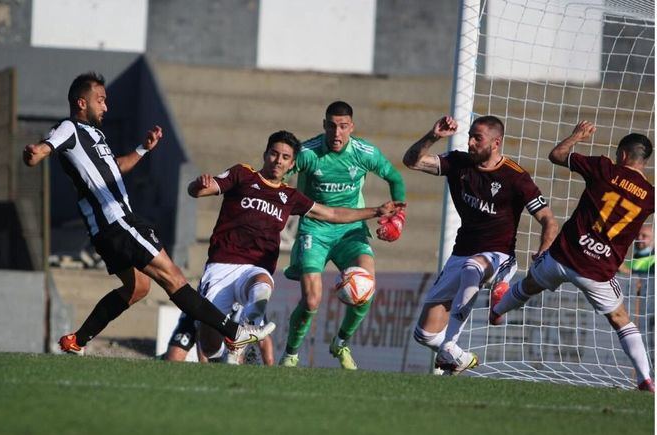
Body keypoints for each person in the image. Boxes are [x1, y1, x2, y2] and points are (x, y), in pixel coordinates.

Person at [22, 71, 275, 356]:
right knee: (174, 278)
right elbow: (45, 147)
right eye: (101, 101)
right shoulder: (70, 128)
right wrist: (36, 152)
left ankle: (76, 341)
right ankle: (235, 333)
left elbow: (114, 167)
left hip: (104, 230)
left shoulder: (95, 135)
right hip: (118, 221)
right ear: (82, 103)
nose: (106, 107)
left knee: (138, 287)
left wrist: (144, 148)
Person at [165, 130, 404, 364]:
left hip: (256, 266)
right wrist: (198, 184)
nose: (278, 161)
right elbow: (198, 191)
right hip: (221, 265)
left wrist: (376, 211)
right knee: (211, 346)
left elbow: (331, 213)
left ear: (292, 164)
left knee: (262, 287)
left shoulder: (290, 196)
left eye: (285, 157)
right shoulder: (242, 175)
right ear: (265, 154)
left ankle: (247, 331)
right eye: (274, 154)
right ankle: (232, 340)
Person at [490, 121, 655, 392]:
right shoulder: (649, 196)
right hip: (598, 272)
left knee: (530, 283)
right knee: (621, 320)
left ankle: (497, 311)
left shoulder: (604, 168)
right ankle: (645, 379)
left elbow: (556, 155)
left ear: (623, 155)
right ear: (644, 161)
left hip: (564, 255)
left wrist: (577, 136)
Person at [403, 115, 558, 374]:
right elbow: (412, 161)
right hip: (461, 252)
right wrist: (433, 136)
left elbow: (549, 220)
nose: (471, 142)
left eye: (478, 138)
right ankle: (458, 355)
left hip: (499, 255)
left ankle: (454, 340)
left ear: (496, 143)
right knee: (424, 335)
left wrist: (543, 251)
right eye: (470, 136)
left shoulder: (516, 177)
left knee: (473, 267)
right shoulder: (458, 162)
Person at [279, 101, 407, 370]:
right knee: (312, 299)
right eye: (332, 126)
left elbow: (395, 178)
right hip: (315, 229)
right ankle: (290, 354)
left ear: (352, 127)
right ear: (324, 125)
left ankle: (341, 342)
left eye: (343, 126)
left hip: (351, 230)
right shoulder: (308, 153)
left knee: (366, 289)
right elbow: (277, 175)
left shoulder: (364, 152)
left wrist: (398, 217)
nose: (337, 133)